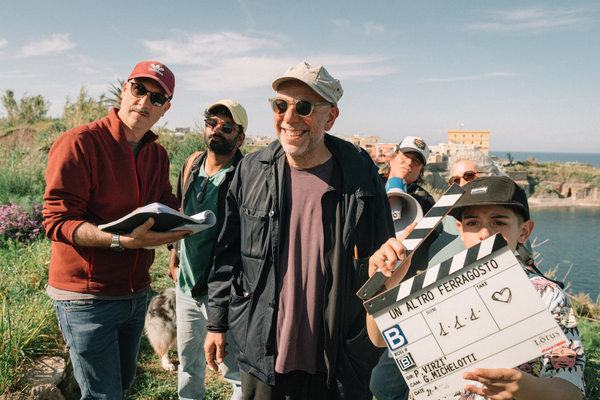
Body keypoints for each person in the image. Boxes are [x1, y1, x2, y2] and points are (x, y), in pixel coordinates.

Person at [204, 61, 394, 400]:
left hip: (338, 358)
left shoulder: (360, 173)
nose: (289, 118)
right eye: (281, 105)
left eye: (303, 107)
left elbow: (384, 254)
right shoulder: (250, 170)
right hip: (263, 349)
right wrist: (216, 322)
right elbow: (227, 252)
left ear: (331, 117)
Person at [43, 61, 190, 399]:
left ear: (165, 109)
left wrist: (193, 225)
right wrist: (122, 241)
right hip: (86, 297)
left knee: (121, 387)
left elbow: (167, 204)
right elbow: (57, 221)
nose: (144, 102)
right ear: (125, 89)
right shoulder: (79, 143)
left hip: (136, 295)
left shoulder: (157, 154)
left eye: (157, 98)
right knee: (102, 395)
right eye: (139, 89)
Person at [367, 176, 586, 400]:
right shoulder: (433, 287)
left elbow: (570, 390)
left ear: (524, 231)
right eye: (473, 223)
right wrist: (384, 288)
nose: (484, 233)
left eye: (499, 222)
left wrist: (523, 386)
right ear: (460, 229)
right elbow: (380, 339)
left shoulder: (547, 295)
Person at [169, 99, 246, 400]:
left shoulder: (244, 175)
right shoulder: (191, 164)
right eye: (212, 123)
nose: (217, 130)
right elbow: (178, 212)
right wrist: (174, 258)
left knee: (234, 370)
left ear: (240, 137)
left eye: (227, 127)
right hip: (186, 287)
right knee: (188, 363)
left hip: (225, 292)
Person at [370, 136, 436, 400]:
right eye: (405, 157)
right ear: (392, 158)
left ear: (421, 171)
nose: (409, 163)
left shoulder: (425, 200)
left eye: (417, 161)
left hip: (397, 287)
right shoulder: (368, 185)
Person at [427, 148, 504, 267]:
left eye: (469, 176)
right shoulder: (445, 212)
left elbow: (523, 265)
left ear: (490, 177)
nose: (462, 184)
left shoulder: (506, 216)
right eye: (455, 180)